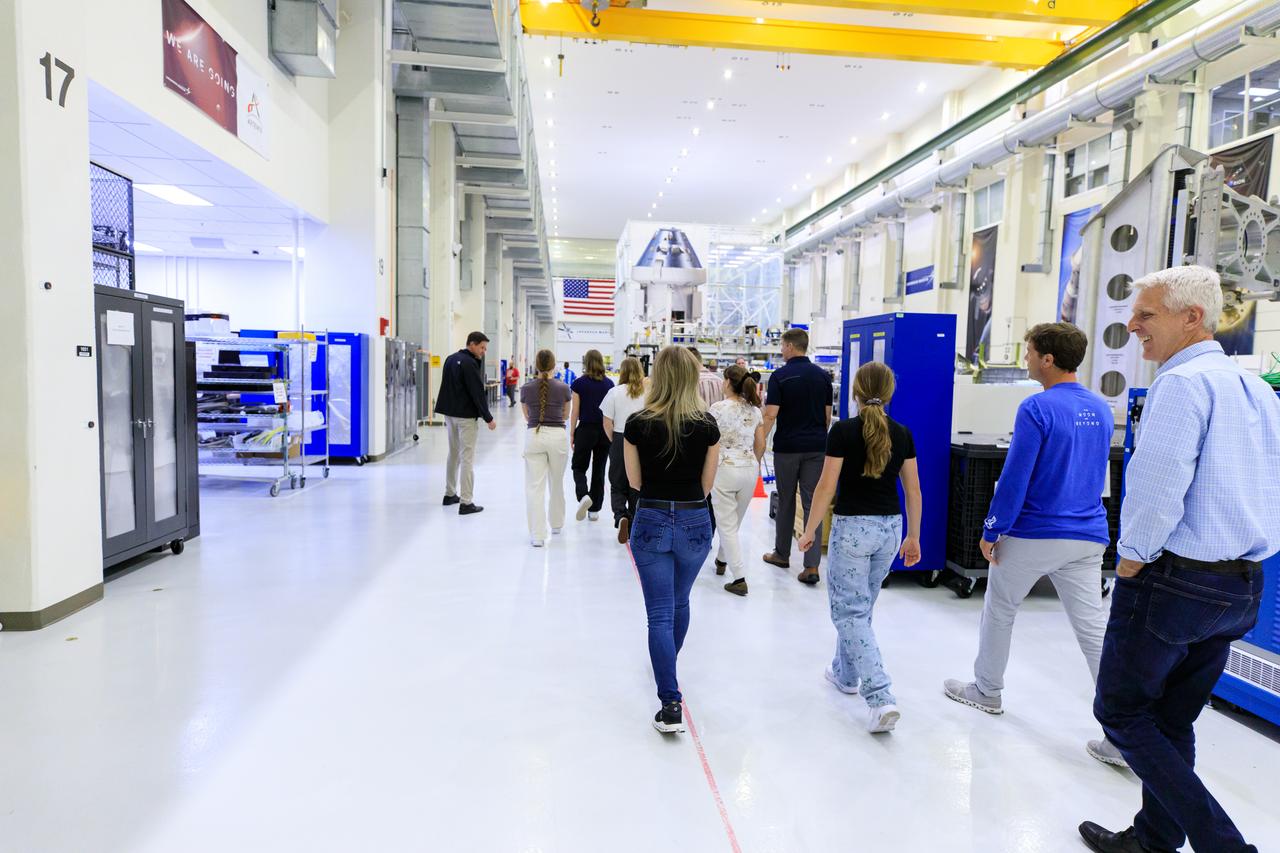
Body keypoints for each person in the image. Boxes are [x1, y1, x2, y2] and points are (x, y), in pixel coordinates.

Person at [1081, 266, 1280, 853]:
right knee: (1171, 720)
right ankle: (1153, 840)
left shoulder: (1182, 385)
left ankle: (1226, 846)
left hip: (1175, 582)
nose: (1131, 324)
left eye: (1146, 314)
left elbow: (1159, 483)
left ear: (1192, 317)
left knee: (1120, 712)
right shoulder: (1258, 391)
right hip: (1241, 586)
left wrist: (1131, 558)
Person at [942, 323, 1126, 765]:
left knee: (1001, 608)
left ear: (1047, 358)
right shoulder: (1101, 410)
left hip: (1036, 532)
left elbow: (1014, 478)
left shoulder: (1036, 408)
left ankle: (986, 690)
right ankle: (1122, 735)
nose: (1025, 360)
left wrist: (991, 530)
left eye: (1028, 353)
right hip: (1087, 536)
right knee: (1093, 633)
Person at [799, 361, 921, 735]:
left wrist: (809, 530)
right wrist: (913, 536)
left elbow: (824, 487)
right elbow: (913, 491)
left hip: (853, 529)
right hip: (889, 528)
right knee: (862, 606)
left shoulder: (843, 431)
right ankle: (845, 673)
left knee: (849, 613)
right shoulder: (902, 433)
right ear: (889, 393)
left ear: (854, 390)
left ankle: (880, 696)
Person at [624, 346, 721, 735]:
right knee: (680, 601)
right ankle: (669, 670)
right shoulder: (707, 425)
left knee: (659, 613)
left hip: (650, 517)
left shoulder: (637, 423)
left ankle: (670, 700)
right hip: (695, 519)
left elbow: (634, 482)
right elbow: (707, 485)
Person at [762, 328, 833, 584]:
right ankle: (812, 566)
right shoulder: (823, 377)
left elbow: (770, 414)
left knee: (787, 500)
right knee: (813, 503)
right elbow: (827, 416)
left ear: (791, 346)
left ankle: (782, 554)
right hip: (816, 447)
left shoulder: (780, 377)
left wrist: (758, 443)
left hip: (787, 448)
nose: (781, 350)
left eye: (782, 345)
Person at [708, 366, 765, 596]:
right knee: (733, 523)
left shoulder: (717, 409)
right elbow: (760, 445)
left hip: (724, 469)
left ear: (728, 382)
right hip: (749, 469)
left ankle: (739, 577)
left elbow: (709, 443)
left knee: (726, 525)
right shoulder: (754, 410)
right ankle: (722, 560)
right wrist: (753, 463)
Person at [434, 331, 495, 515]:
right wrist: (488, 417)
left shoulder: (451, 359)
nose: (484, 352)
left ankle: (450, 493)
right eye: (482, 347)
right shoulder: (469, 363)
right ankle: (466, 502)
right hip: (465, 417)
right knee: (467, 457)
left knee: (454, 454)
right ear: (472, 344)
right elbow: (477, 392)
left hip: (449, 414)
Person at [520, 349, 573, 547]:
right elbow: (566, 415)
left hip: (534, 435)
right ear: (553, 365)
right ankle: (557, 524)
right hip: (557, 437)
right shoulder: (564, 388)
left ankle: (537, 535)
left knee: (535, 487)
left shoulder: (526, 388)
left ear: (536, 365)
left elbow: (527, 416)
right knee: (557, 482)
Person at [601, 356, 647, 543]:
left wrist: (616, 441)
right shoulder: (648, 393)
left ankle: (621, 516)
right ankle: (635, 520)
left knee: (617, 482)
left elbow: (607, 422)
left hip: (620, 438)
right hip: (643, 442)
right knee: (637, 483)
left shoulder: (614, 392)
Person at [570, 349, 615, 522]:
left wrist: (572, 432)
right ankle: (595, 510)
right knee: (599, 469)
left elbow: (575, 411)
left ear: (586, 363)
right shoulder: (609, 384)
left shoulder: (579, 383)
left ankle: (583, 496)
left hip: (586, 429)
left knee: (579, 466)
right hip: (604, 430)